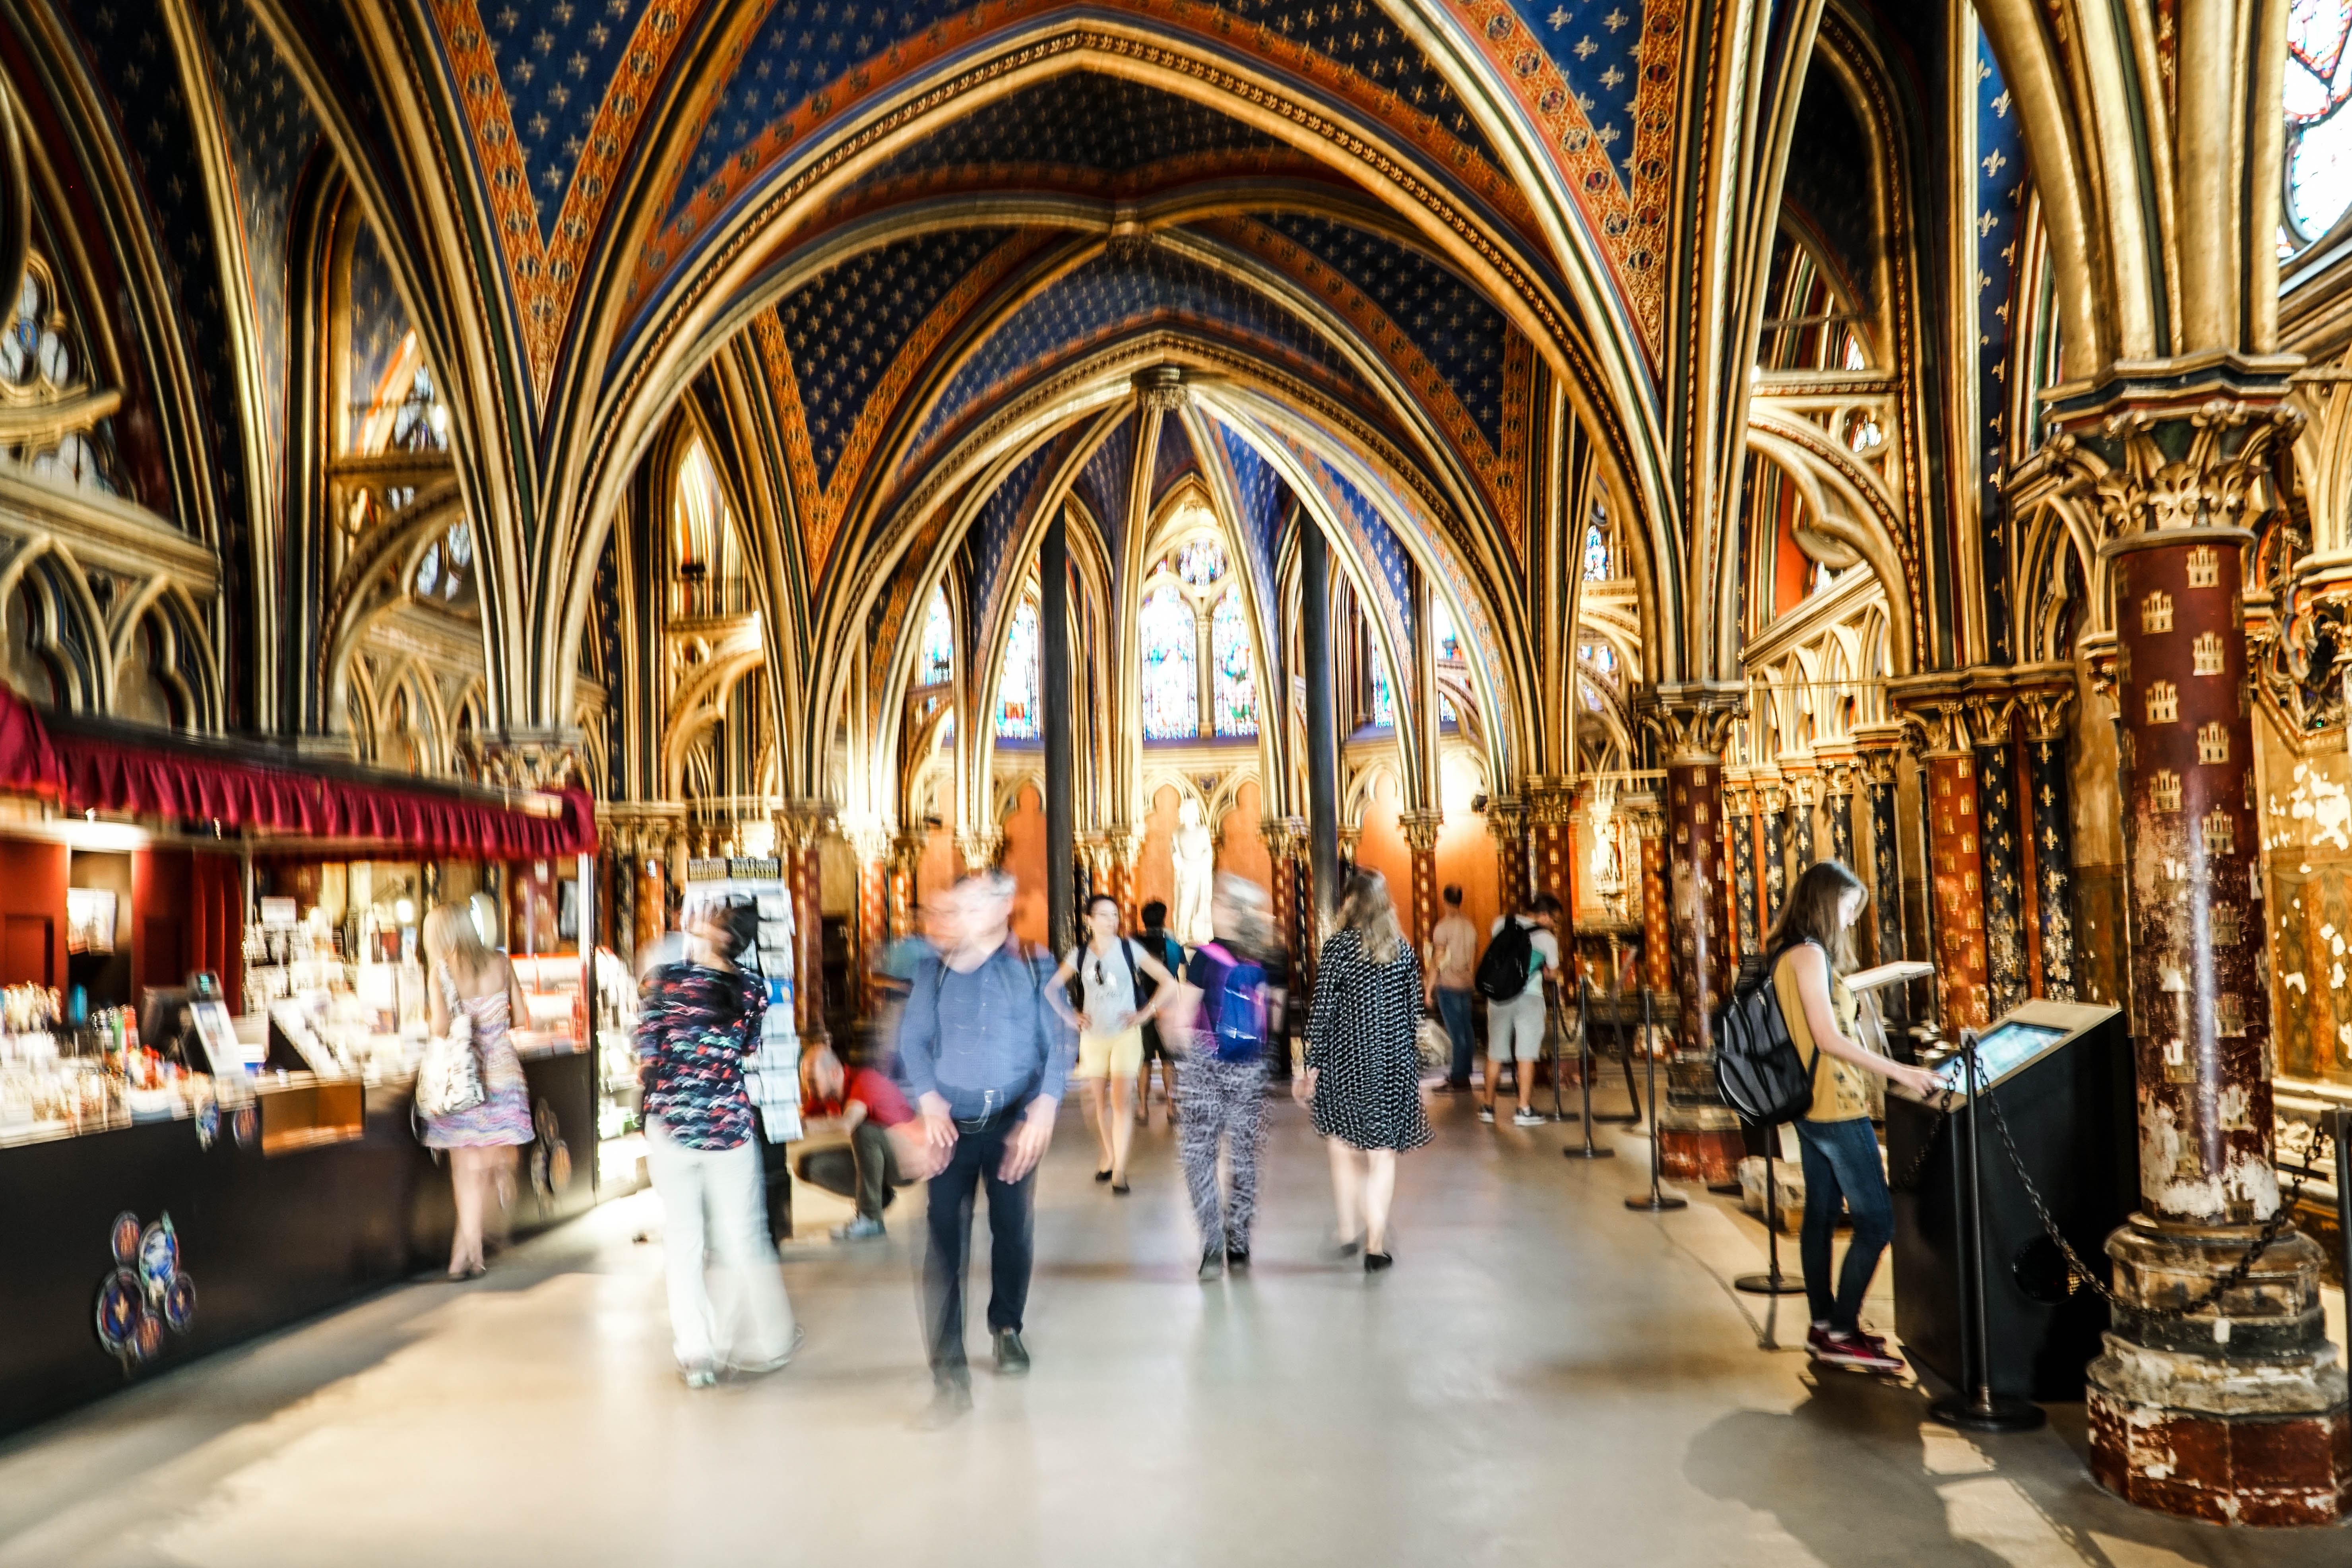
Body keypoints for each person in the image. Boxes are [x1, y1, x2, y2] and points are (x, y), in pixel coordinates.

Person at [898, 870, 1074, 1421]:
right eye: (951, 907)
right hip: (949, 1130)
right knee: (943, 1249)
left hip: (1010, 1124)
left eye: (968, 906)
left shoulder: (1033, 965)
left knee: (1012, 1234)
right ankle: (948, 1377)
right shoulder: (932, 972)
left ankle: (1006, 1326)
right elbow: (913, 1040)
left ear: (1002, 908)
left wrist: (1044, 1106)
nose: (954, 917)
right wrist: (926, 1099)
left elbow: (1060, 1039)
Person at [1767, 860, 1944, 1374]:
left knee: (1821, 1218)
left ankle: (1825, 1326)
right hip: (1835, 1104)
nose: (1850, 921)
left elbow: (1816, 1007)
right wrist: (1901, 1072)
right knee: (1876, 1220)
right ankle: (1842, 1328)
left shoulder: (1789, 953)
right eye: (1848, 909)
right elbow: (1828, 1037)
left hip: (1806, 1105)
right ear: (1827, 903)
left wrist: (1877, 978)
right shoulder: (1811, 955)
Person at [636, 894, 800, 1386]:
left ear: (717, 932)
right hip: (728, 1128)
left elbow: (647, 1052)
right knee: (744, 1237)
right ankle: (770, 1338)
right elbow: (747, 1048)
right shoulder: (752, 989)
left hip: (672, 1128)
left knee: (684, 1240)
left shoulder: (664, 981)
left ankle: (697, 1353)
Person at [1300, 870, 1429, 1271]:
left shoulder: (1339, 948)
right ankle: (1375, 1244)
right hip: (1393, 1063)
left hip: (1346, 1062)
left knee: (1341, 1145)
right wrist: (1413, 1066)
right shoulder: (1403, 950)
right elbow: (1415, 1016)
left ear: (1352, 902)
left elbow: (1321, 1014)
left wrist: (1309, 1067)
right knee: (1382, 1155)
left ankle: (1347, 1226)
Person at [420, 903, 534, 1280]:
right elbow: (521, 1017)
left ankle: (463, 1256)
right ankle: (471, 1254)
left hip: (465, 1079)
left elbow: (439, 1028)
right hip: (504, 1074)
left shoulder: (441, 973)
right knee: (482, 1169)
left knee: (464, 1169)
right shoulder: (502, 963)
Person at [1177, 875, 1278, 1279]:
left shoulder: (1205, 958)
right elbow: (1267, 1015)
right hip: (1251, 1066)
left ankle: (1211, 1240)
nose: (1212, 908)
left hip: (1207, 1064)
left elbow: (1185, 1017)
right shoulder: (1264, 958)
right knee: (1245, 1155)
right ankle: (1238, 1240)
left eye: (1217, 902)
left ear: (1230, 910)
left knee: (1198, 1155)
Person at [1047, 893, 1178, 1192]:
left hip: (1125, 1034)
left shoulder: (1129, 948)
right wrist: (1070, 1016)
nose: (1112, 920)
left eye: (1115, 914)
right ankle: (1107, 1154)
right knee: (1097, 1102)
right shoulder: (1079, 954)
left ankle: (1119, 1168)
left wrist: (1145, 1013)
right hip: (1093, 1037)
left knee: (1120, 1101)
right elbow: (1051, 989)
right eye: (1104, 914)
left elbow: (1169, 982)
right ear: (1089, 920)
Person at [795, 1045, 920, 1240]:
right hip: (882, 1160)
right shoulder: (823, 1093)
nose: (809, 1091)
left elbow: (847, 1124)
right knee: (806, 1165)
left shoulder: (864, 1081)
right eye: (806, 1084)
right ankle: (878, 1198)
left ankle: (871, 1218)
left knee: (863, 1129)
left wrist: (804, 1124)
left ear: (835, 1073)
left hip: (908, 1160)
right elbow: (802, 1119)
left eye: (813, 1082)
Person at [1480, 893, 1562, 1127]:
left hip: (1498, 997)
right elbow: (1552, 973)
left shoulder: (1501, 922)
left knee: (1495, 1053)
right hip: (1530, 997)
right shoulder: (1547, 938)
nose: (1554, 925)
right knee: (1526, 1054)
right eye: (1554, 920)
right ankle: (1523, 1110)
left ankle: (1487, 1106)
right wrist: (1546, 971)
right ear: (1545, 916)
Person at [1133, 898, 1185, 1126]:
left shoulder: (1134, 945)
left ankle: (1143, 1109)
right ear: (1164, 919)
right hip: (1167, 1007)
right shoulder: (1173, 946)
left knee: (1144, 1061)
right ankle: (1172, 1109)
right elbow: (1180, 976)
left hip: (1142, 1008)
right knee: (1168, 1061)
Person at [1425, 885, 1479, 1091]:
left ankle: (1458, 1076)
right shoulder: (1470, 925)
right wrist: (1469, 977)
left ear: (1445, 901)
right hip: (1466, 983)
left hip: (1448, 984)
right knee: (1467, 1029)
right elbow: (1473, 957)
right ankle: (1465, 1073)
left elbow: (1437, 961)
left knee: (1457, 1033)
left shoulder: (1443, 927)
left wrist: (1429, 990)